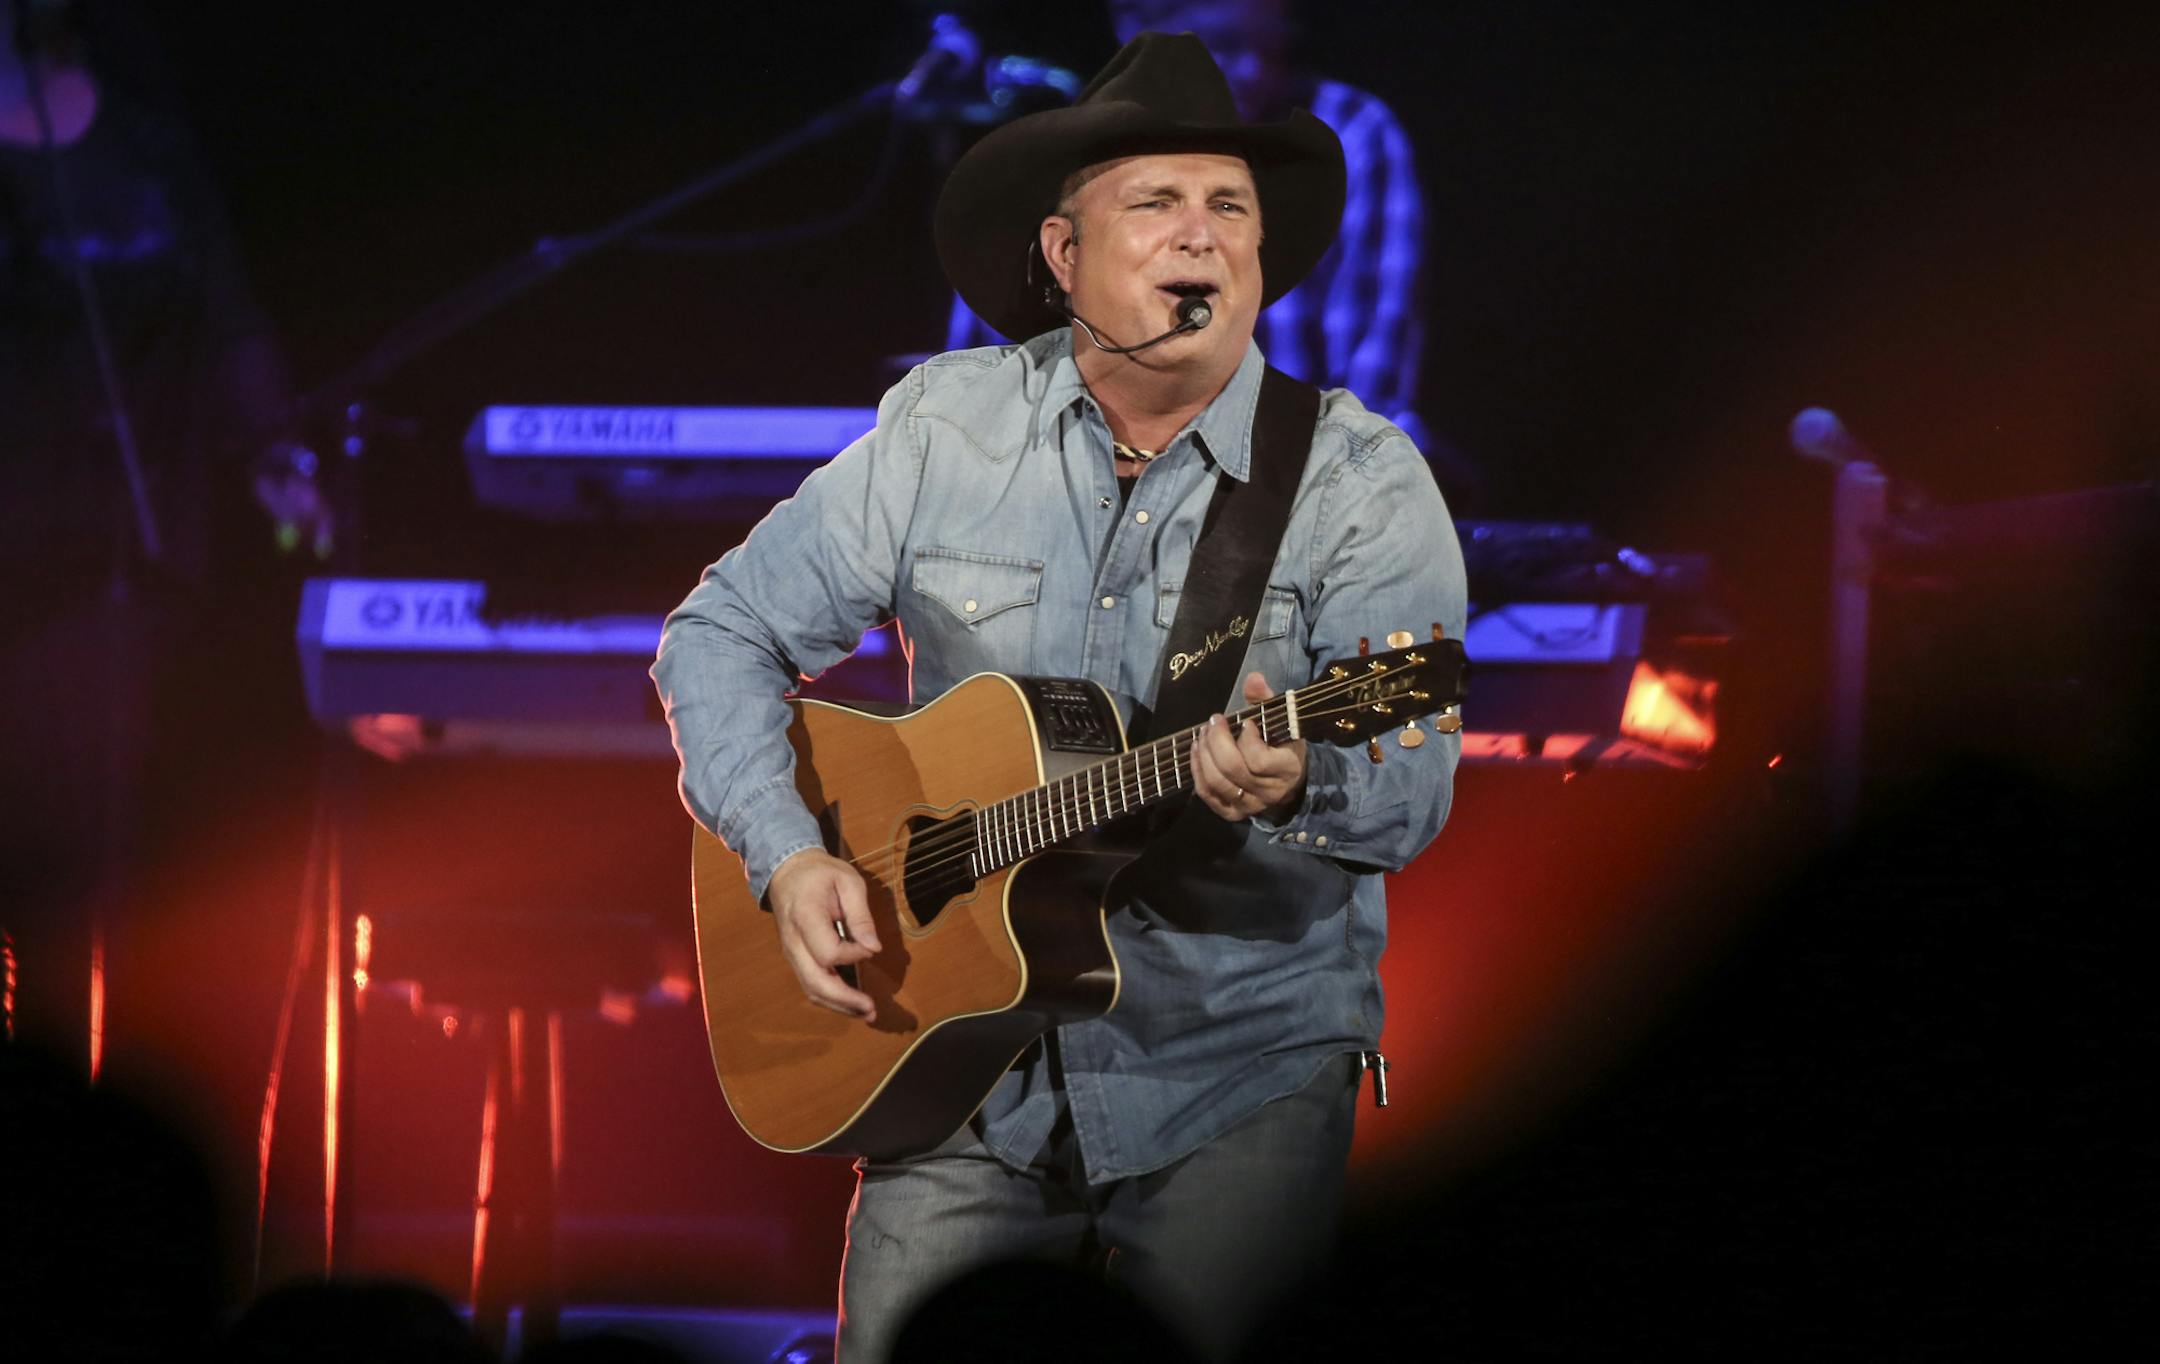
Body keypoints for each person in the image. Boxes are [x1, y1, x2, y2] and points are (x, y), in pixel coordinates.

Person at [653, 32, 1464, 1363]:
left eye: (1231, 208)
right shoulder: (944, 430)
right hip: (960, 1068)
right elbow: (720, 633)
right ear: (1063, 254)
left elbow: (1410, 782)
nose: (1201, 233)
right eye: (1157, 201)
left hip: (1235, 1067)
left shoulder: (1358, 482)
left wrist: (1301, 777)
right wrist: (790, 857)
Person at [944, 0, 1430, 450]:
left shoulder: (1351, 129)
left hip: (1284, 465)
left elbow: (1373, 371)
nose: (1254, 70)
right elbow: (984, 381)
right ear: (1138, 30)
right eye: (1225, 46)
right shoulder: (1061, 162)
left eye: (1272, 48)